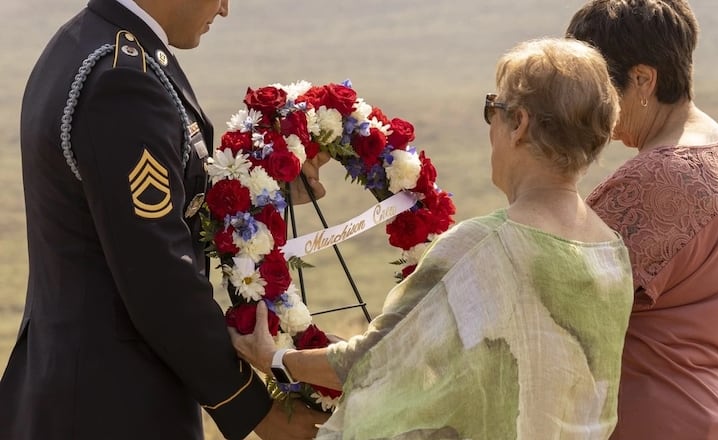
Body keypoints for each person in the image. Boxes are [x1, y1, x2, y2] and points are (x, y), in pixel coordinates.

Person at [230, 38, 635, 439]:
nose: (490, 124)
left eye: (492, 108)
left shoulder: (482, 246)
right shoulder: (612, 252)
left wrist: (276, 358)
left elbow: (373, 361)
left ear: (520, 125)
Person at [0, 0, 328, 439]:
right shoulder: (121, 79)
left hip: (79, 388)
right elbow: (157, 273)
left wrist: (265, 187)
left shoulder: (88, 43)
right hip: (111, 405)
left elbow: (137, 215)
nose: (226, 9)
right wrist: (255, 408)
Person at [565, 1, 718, 438]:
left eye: (596, 86)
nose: (587, 105)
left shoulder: (653, 179)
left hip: (661, 420)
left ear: (642, 80)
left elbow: (556, 302)